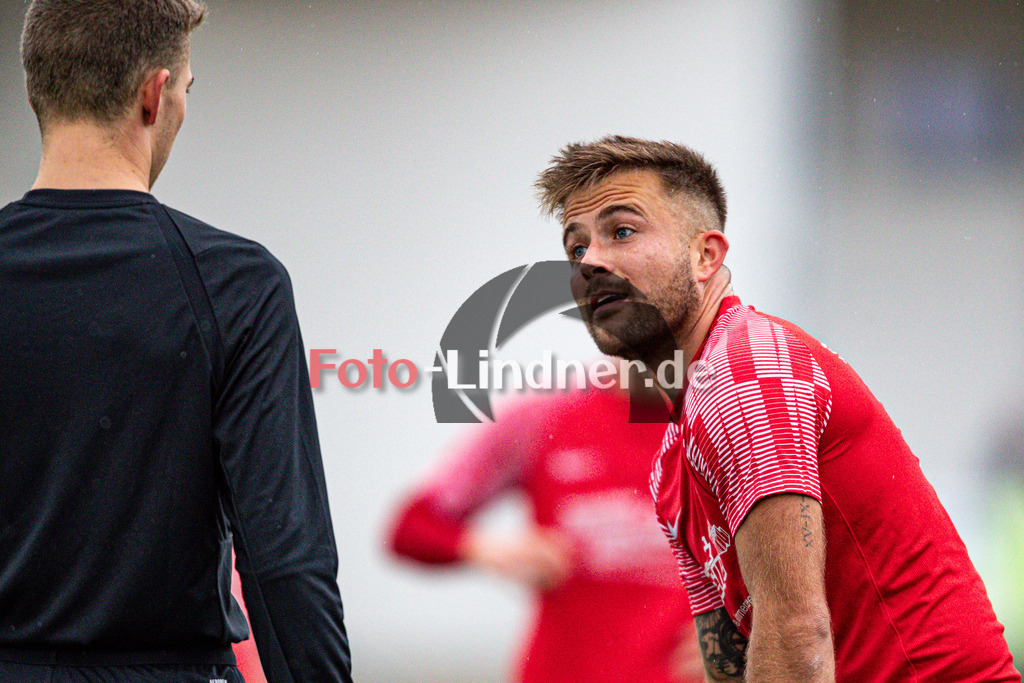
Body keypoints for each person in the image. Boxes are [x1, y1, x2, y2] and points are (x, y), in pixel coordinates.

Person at [535, 135, 1020, 681]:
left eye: (622, 232)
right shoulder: (672, 462)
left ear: (705, 255)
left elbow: (796, 634)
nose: (591, 262)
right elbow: (730, 667)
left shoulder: (746, 372)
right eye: (576, 248)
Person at [0, 1, 351, 681]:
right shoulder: (234, 283)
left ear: (35, 91)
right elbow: (285, 560)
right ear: (155, 95)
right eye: (188, 88)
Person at [386, 382, 704, 683]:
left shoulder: (721, 426)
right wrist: (486, 546)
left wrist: (735, 628)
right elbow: (411, 527)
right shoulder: (544, 417)